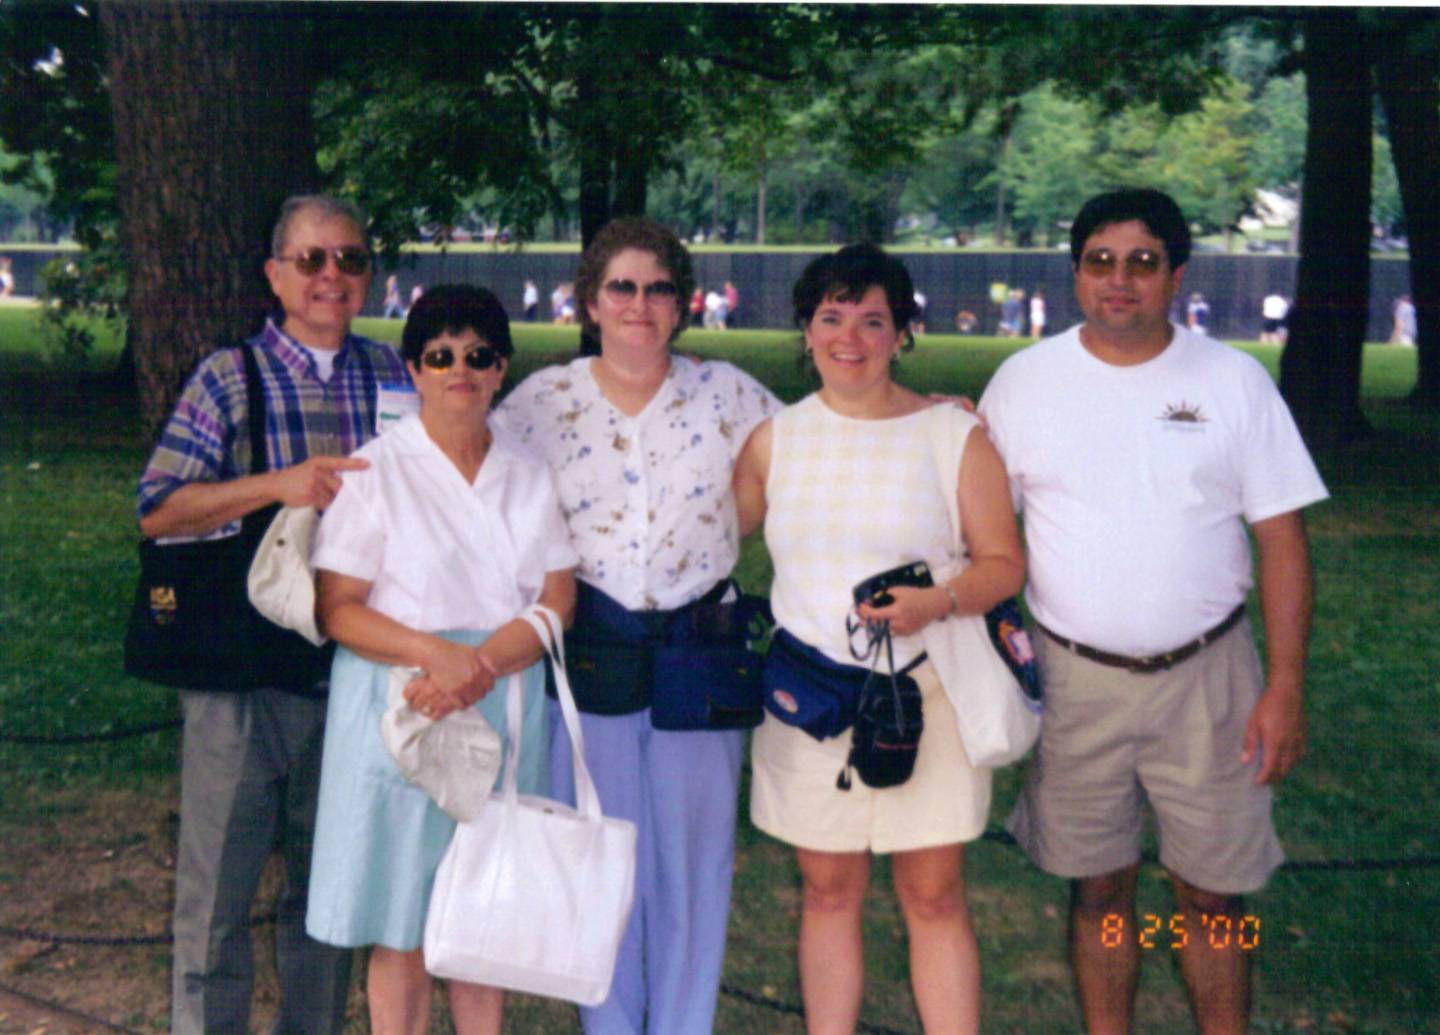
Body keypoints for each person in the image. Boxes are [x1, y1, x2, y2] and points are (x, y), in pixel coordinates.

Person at [980, 188, 1328, 1035]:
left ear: (1176, 275)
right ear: (1075, 274)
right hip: (1075, 681)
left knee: (1214, 895)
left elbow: (1283, 542)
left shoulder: (1234, 381)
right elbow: (978, 527)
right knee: (1101, 888)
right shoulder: (1024, 383)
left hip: (1210, 679)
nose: (1120, 280)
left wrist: (1285, 686)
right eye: (1100, 261)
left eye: (1142, 262)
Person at [494, 216, 780, 1035]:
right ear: (589, 300)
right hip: (594, 651)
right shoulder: (540, 402)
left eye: (659, 289)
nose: (639, 304)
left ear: (682, 304)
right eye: (621, 286)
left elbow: (832, 440)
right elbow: (470, 476)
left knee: (693, 866)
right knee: (600, 858)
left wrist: (928, 411)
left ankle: (684, 1023)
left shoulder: (730, 395)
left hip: (699, 653)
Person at [732, 243, 1024, 1035]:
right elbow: (706, 536)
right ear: (806, 330)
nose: (850, 337)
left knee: (933, 895)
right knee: (828, 891)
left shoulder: (952, 435)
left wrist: (940, 600)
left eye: (872, 319)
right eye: (832, 317)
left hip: (928, 695)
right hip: (812, 700)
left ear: (902, 332)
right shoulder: (774, 439)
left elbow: (1004, 563)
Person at [136, 194, 409, 1033]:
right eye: (311, 258)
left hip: (353, 669)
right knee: (218, 892)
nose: (332, 275)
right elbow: (158, 508)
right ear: (275, 274)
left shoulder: (395, 376)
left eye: (350, 259)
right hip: (241, 672)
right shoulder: (229, 377)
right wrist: (275, 486)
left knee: (328, 894)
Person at [306, 284, 578, 1034]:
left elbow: (557, 598)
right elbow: (339, 608)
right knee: (401, 925)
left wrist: (476, 667)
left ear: (501, 370)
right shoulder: (375, 470)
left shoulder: (529, 472)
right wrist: (437, 658)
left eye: (479, 355)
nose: (461, 369)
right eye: (440, 355)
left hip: (501, 697)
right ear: (413, 369)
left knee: (482, 922)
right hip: (401, 703)